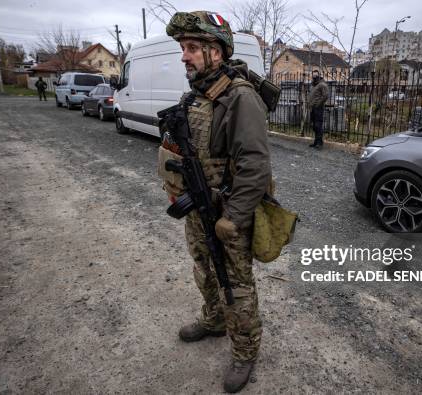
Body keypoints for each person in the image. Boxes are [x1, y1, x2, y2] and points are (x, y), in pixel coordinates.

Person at [162, 11, 272, 393]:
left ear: (216, 51)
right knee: (204, 269)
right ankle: (214, 322)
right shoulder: (194, 93)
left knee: (236, 283)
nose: (184, 56)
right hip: (196, 204)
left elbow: (255, 165)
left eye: (192, 48)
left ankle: (245, 351)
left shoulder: (239, 97)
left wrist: (235, 217)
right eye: (183, 48)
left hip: (227, 211)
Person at [308, 70, 328, 148]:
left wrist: (318, 104)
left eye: (316, 75)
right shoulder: (313, 85)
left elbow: (325, 95)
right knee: (314, 126)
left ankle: (320, 143)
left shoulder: (322, 84)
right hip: (312, 108)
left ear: (319, 75)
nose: (314, 76)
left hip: (318, 108)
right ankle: (316, 142)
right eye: (313, 75)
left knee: (318, 125)